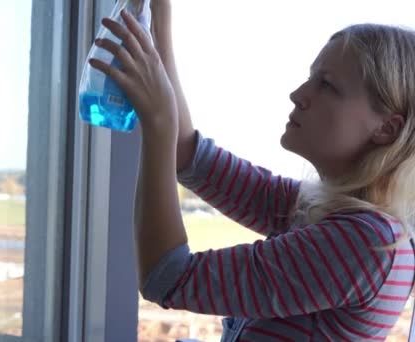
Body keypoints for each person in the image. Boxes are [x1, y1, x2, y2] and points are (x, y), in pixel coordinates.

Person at [89, 1, 415, 341]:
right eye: (310, 78)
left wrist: (159, 122)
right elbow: (189, 157)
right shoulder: (318, 210)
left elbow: (168, 277)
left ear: (387, 129)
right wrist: (159, 24)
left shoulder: (368, 244)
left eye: (327, 85)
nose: (298, 94)